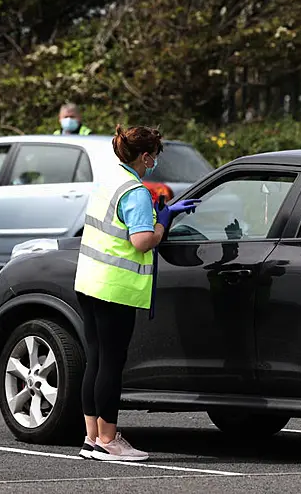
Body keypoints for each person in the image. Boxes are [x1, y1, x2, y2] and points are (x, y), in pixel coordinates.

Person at [73, 124, 200, 461]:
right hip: (116, 287)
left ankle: (92, 438)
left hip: (89, 281)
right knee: (112, 363)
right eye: (154, 156)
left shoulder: (109, 180)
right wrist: (164, 221)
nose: (155, 161)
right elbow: (142, 241)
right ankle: (109, 440)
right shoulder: (136, 192)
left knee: (96, 359)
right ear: (145, 156)